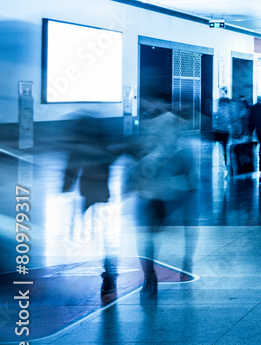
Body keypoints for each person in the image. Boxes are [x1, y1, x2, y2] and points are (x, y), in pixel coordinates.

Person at [127, 100, 199, 297]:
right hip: (160, 198)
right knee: (155, 235)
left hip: (158, 198)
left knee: (149, 237)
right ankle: (161, 272)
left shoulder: (174, 148)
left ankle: (151, 277)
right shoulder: (173, 147)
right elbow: (192, 180)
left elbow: (134, 174)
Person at [63, 112, 120, 296]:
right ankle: (110, 273)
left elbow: (72, 165)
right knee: (105, 232)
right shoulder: (103, 143)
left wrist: (66, 185)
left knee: (99, 230)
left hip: (89, 190)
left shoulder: (81, 145)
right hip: (101, 191)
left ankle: (109, 272)